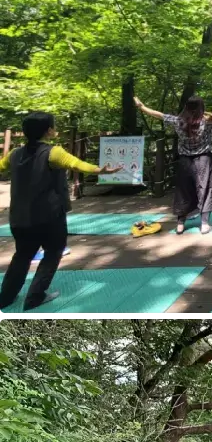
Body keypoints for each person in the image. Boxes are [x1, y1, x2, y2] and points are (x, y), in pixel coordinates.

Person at [0, 112, 122, 311]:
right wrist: (102, 171)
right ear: (48, 130)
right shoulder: (53, 152)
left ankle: (5, 298)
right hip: (48, 217)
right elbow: (77, 164)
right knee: (53, 252)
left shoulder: (15, 154)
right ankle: (35, 297)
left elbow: (0, 165)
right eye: (53, 126)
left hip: (19, 219)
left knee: (22, 255)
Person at [134, 94, 212, 235]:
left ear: (186, 107)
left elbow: (159, 115)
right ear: (201, 107)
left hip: (184, 160)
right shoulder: (207, 120)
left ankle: (181, 223)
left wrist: (142, 107)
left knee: (184, 190)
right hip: (203, 159)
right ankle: (204, 223)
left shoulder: (178, 120)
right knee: (205, 188)